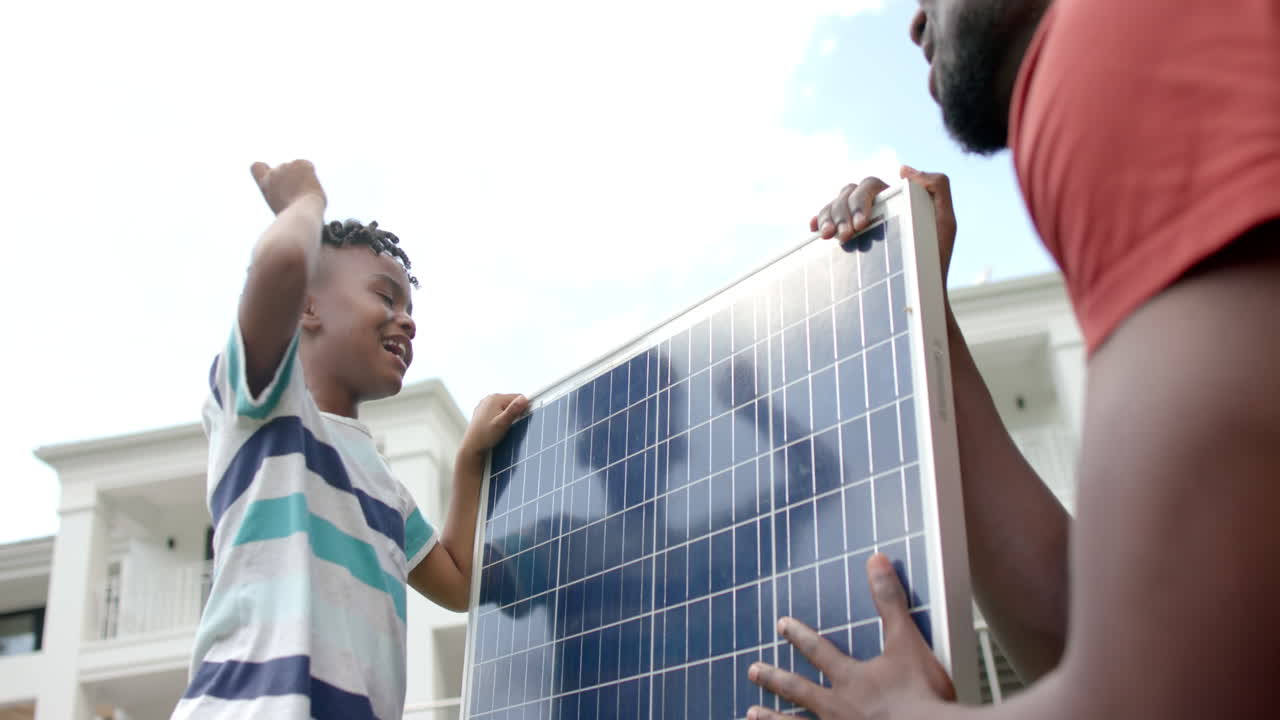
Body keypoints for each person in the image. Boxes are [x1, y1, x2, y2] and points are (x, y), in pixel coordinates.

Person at [747, 0, 1280, 718]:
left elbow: (1172, 695)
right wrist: (917, 309)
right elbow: (1081, 634)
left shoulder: (1116, 38)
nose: (915, 22)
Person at [172, 159, 528, 719]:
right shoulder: (263, 406)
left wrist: (468, 458)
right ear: (306, 306)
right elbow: (284, 264)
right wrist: (303, 203)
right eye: (386, 297)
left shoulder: (383, 486)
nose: (406, 321)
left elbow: (459, 585)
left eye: (409, 309)